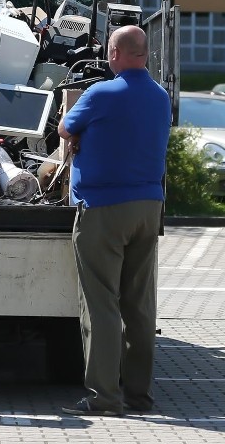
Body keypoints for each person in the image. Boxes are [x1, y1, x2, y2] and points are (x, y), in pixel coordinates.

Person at [57, 25, 171, 416]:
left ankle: (104, 397)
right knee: (140, 305)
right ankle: (139, 396)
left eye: (109, 51)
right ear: (145, 55)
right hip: (148, 206)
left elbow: (65, 128)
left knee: (101, 302)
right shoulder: (161, 98)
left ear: (116, 53)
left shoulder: (99, 92)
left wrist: (79, 138)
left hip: (103, 207)